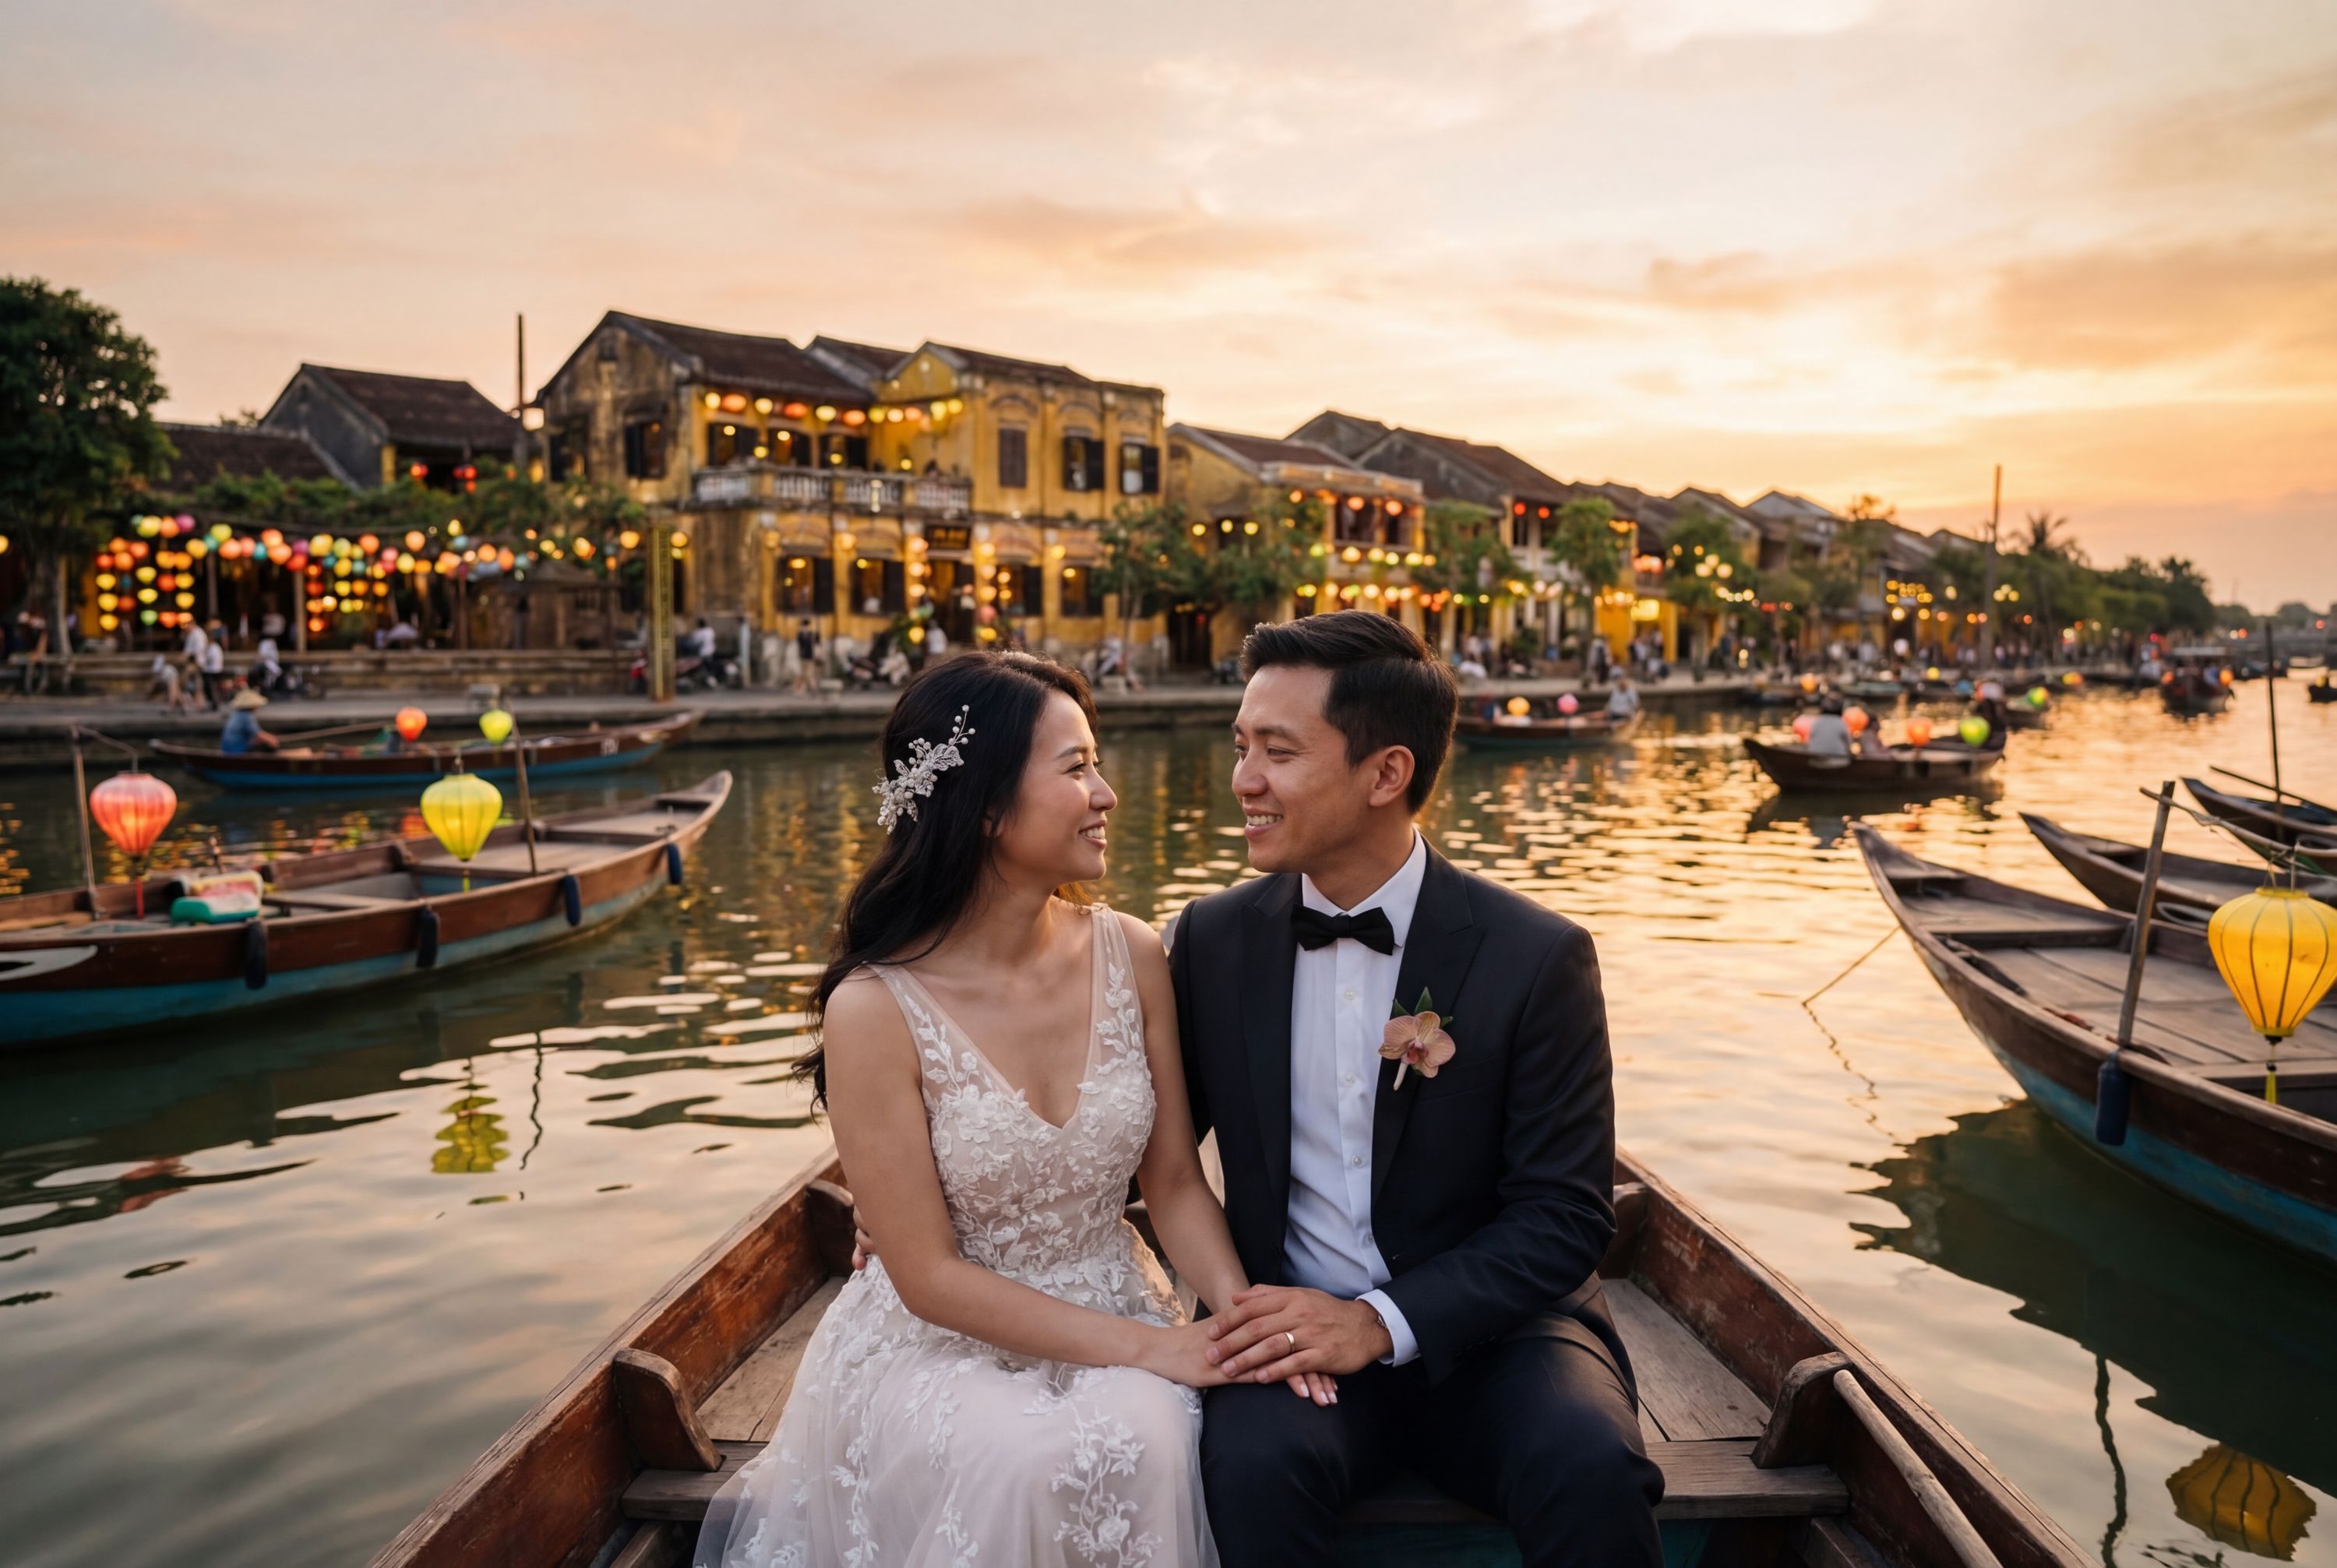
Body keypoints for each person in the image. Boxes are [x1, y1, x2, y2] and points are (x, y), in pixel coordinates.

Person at [696, 653, 1285, 1568]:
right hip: (937, 1338)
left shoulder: (1131, 953)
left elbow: (1170, 1183)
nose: (1106, 793)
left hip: (1109, 1287)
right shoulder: (875, 1007)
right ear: (985, 807)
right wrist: (1148, 1348)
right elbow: (926, 1274)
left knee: (1153, 1434)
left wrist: (1242, 1325)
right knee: (1021, 1459)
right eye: (1077, 767)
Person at [1166, 611, 1662, 1567]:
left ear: (1385, 774)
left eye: (1277, 751)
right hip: (1288, 1333)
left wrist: (1376, 1325)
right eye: (1241, 747)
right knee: (1251, 1472)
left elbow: (1563, 1216)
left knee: (1590, 1467)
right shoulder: (1210, 941)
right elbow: (1139, 1140)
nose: (1243, 781)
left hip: (1499, 1341)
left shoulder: (1536, 956)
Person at [219, 689, 278, 754]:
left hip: (228, 750)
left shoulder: (236, 715)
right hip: (238, 751)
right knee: (270, 746)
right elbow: (258, 734)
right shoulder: (247, 717)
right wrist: (272, 739)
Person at [1804, 694, 1852, 759]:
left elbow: (1810, 740)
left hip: (1815, 759)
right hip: (1837, 761)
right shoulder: (1840, 723)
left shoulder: (1818, 721)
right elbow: (1848, 743)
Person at [790, 618, 820, 694]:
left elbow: (816, 643)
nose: (804, 627)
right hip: (803, 657)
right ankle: (803, 688)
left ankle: (811, 688)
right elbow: (799, 645)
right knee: (803, 674)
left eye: (805, 626)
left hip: (810, 656)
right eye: (803, 626)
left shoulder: (811, 634)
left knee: (809, 674)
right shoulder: (800, 635)